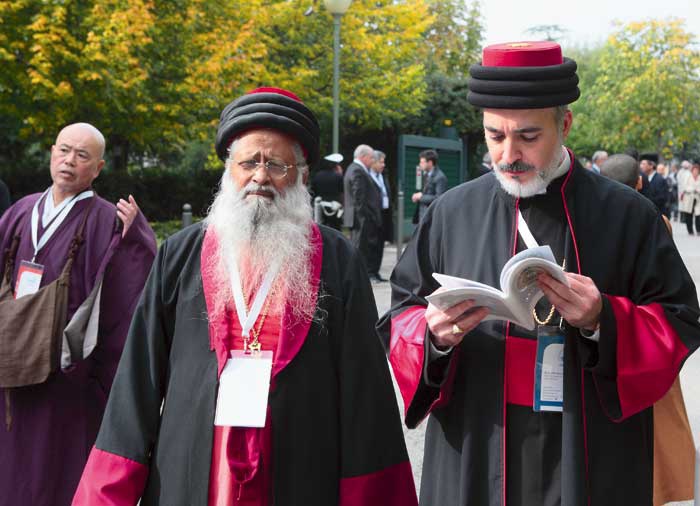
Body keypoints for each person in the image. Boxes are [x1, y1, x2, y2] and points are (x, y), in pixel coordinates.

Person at [378, 41, 700, 506]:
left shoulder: (629, 215)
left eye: (528, 137)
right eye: (495, 136)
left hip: (587, 439)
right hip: (477, 436)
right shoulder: (451, 212)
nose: (508, 154)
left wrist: (602, 319)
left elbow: (679, 318)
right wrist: (434, 336)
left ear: (564, 124)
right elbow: (401, 312)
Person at [72, 88, 416, 506]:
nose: (260, 175)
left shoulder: (338, 259)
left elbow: (365, 393)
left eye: (277, 164)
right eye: (249, 162)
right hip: (190, 467)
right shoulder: (179, 255)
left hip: (302, 468)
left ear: (301, 175)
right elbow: (137, 383)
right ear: (228, 169)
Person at [0, 123, 157, 506]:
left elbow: (131, 292)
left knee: (57, 471)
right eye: (64, 151)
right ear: (52, 152)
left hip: (65, 373)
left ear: (98, 168)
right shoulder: (21, 210)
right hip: (10, 361)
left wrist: (136, 236)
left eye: (82, 155)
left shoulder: (107, 220)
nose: (69, 161)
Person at [600, 153, 696, 506]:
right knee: (657, 428)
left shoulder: (591, 219)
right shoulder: (655, 221)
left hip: (605, 332)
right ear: (639, 182)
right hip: (646, 334)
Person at [344, 144, 384, 282]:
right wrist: (364, 218)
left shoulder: (356, 169)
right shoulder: (357, 170)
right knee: (360, 248)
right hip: (360, 218)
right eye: (371, 157)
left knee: (362, 247)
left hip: (359, 217)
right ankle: (359, 277)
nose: (373, 160)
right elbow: (358, 198)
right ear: (364, 156)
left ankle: (362, 276)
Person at [369, 150, 393, 276]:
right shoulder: (368, 175)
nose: (383, 165)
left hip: (384, 214)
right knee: (372, 244)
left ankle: (376, 271)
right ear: (373, 162)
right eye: (381, 162)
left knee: (380, 244)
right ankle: (371, 271)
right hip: (374, 214)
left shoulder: (383, 175)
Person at [309, 153, 344, 230]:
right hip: (335, 206)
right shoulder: (338, 176)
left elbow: (313, 191)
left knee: (321, 227)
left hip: (320, 205)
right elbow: (342, 192)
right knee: (336, 228)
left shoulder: (317, 175)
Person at [411, 149, 447, 222]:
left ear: (430, 163)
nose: (420, 164)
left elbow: (439, 198)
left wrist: (421, 197)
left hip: (432, 217)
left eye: (422, 162)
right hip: (423, 216)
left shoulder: (440, 177)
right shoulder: (425, 174)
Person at [682, 163, 700, 235]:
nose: (695, 172)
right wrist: (692, 189)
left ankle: (698, 230)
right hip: (689, 198)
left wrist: (698, 190)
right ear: (692, 170)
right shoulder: (688, 177)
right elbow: (684, 187)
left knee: (698, 215)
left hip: (698, 198)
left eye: (697, 170)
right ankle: (690, 230)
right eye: (694, 170)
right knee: (688, 215)